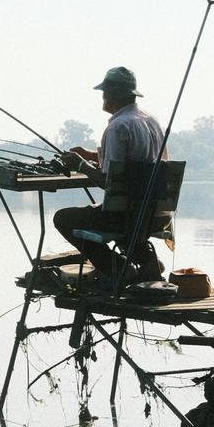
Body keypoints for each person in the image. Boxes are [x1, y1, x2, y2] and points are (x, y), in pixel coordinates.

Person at [53, 66, 167, 281]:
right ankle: (148, 262)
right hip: (152, 215)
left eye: (104, 92)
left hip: (125, 217)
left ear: (113, 95)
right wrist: (91, 154)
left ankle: (117, 269)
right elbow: (137, 162)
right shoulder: (151, 121)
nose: (103, 97)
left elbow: (110, 184)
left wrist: (81, 166)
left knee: (63, 218)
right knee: (110, 212)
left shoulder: (117, 127)